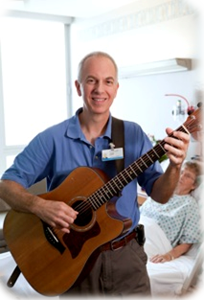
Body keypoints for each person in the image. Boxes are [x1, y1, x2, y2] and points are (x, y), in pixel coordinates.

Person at [0, 51, 190, 300]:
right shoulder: (52, 139)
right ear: (79, 87)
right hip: (71, 262)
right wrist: (40, 206)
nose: (100, 89)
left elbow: (161, 196)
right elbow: (6, 186)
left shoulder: (132, 134)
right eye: (91, 80)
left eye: (108, 81)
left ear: (116, 88)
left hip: (127, 260)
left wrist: (175, 167)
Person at [140, 160, 202, 264]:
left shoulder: (189, 205)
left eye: (187, 176)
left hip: (155, 240)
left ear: (194, 186)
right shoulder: (161, 192)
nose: (181, 176)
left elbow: (188, 242)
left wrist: (169, 256)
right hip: (138, 229)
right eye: (181, 172)